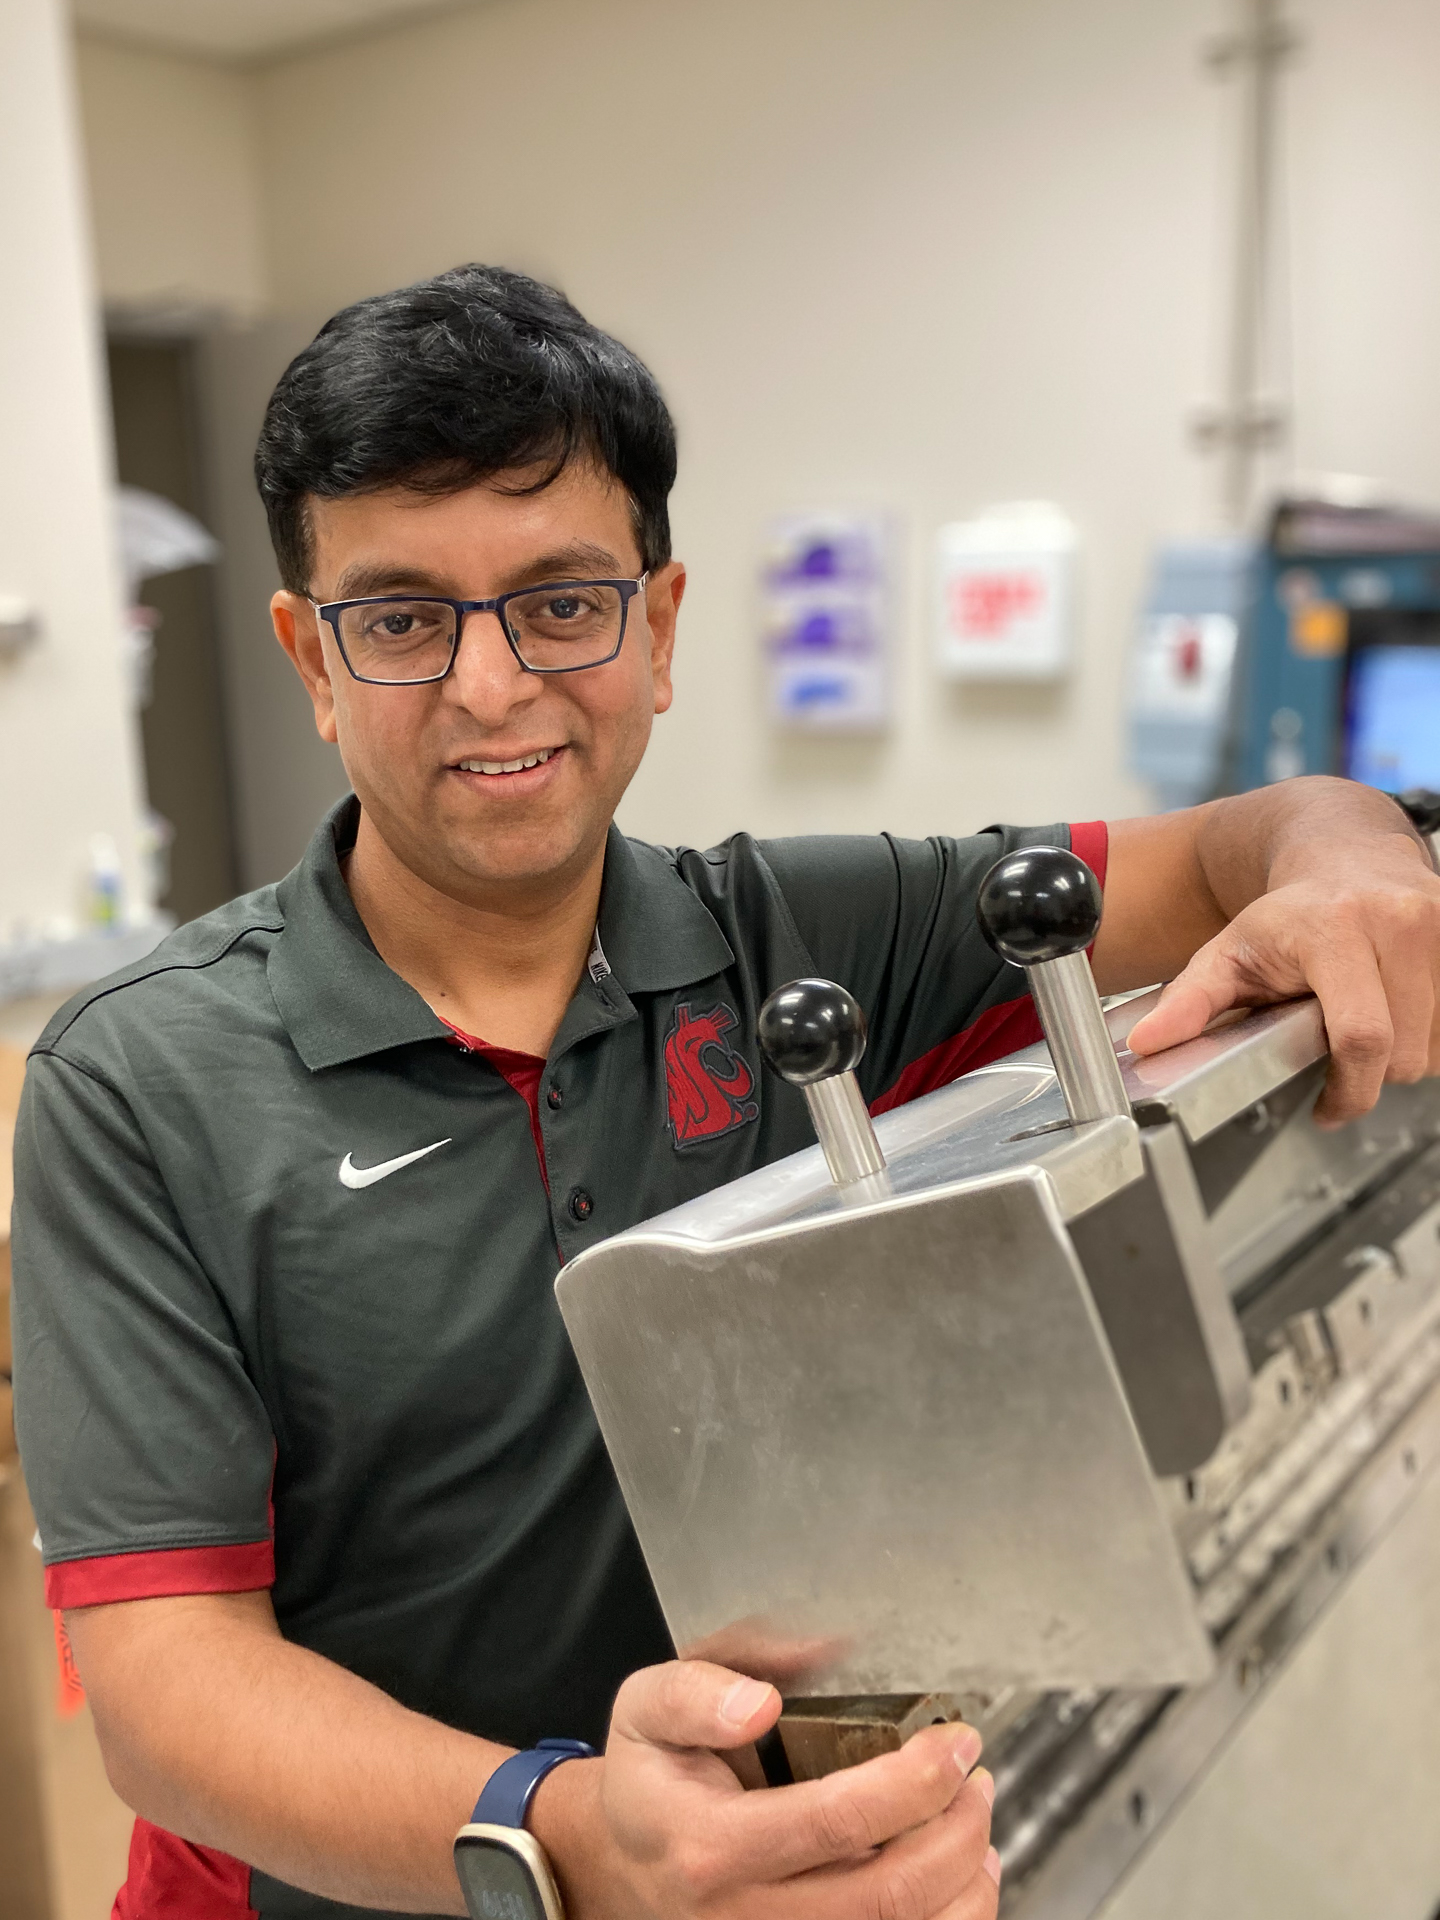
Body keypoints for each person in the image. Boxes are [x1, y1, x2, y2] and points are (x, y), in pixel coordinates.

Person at [11, 265, 1440, 1920]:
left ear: (660, 625)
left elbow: (1245, 840)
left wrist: (1355, 863)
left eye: (561, 601)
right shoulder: (141, 1080)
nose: (490, 686)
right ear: (312, 661)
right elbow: (165, 1692)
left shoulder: (807, 934)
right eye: (402, 619)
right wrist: (565, 1838)